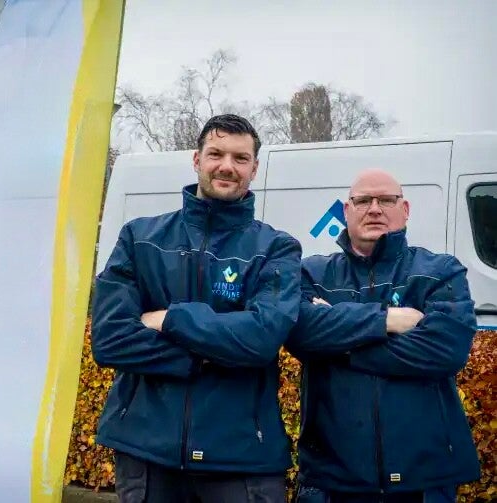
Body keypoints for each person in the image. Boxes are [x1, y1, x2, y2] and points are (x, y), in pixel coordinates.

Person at [92, 114, 302, 502]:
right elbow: (110, 340)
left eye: (240, 158)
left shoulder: (276, 248)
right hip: (146, 452)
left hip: (242, 458)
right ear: (196, 159)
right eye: (216, 154)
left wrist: (171, 319)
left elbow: (262, 338)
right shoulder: (140, 238)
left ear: (254, 168)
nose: (227, 166)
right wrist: (211, 353)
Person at [286, 169, 480, 503]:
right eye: (363, 200)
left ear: (405, 209)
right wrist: (388, 319)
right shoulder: (312, 273)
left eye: (386, 200)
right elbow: (301, 333)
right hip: (332, 479)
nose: (374, 209)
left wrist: (339, 342)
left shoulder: (440, 270)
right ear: (346, 211)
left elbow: (445, 350)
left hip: (424, 480)